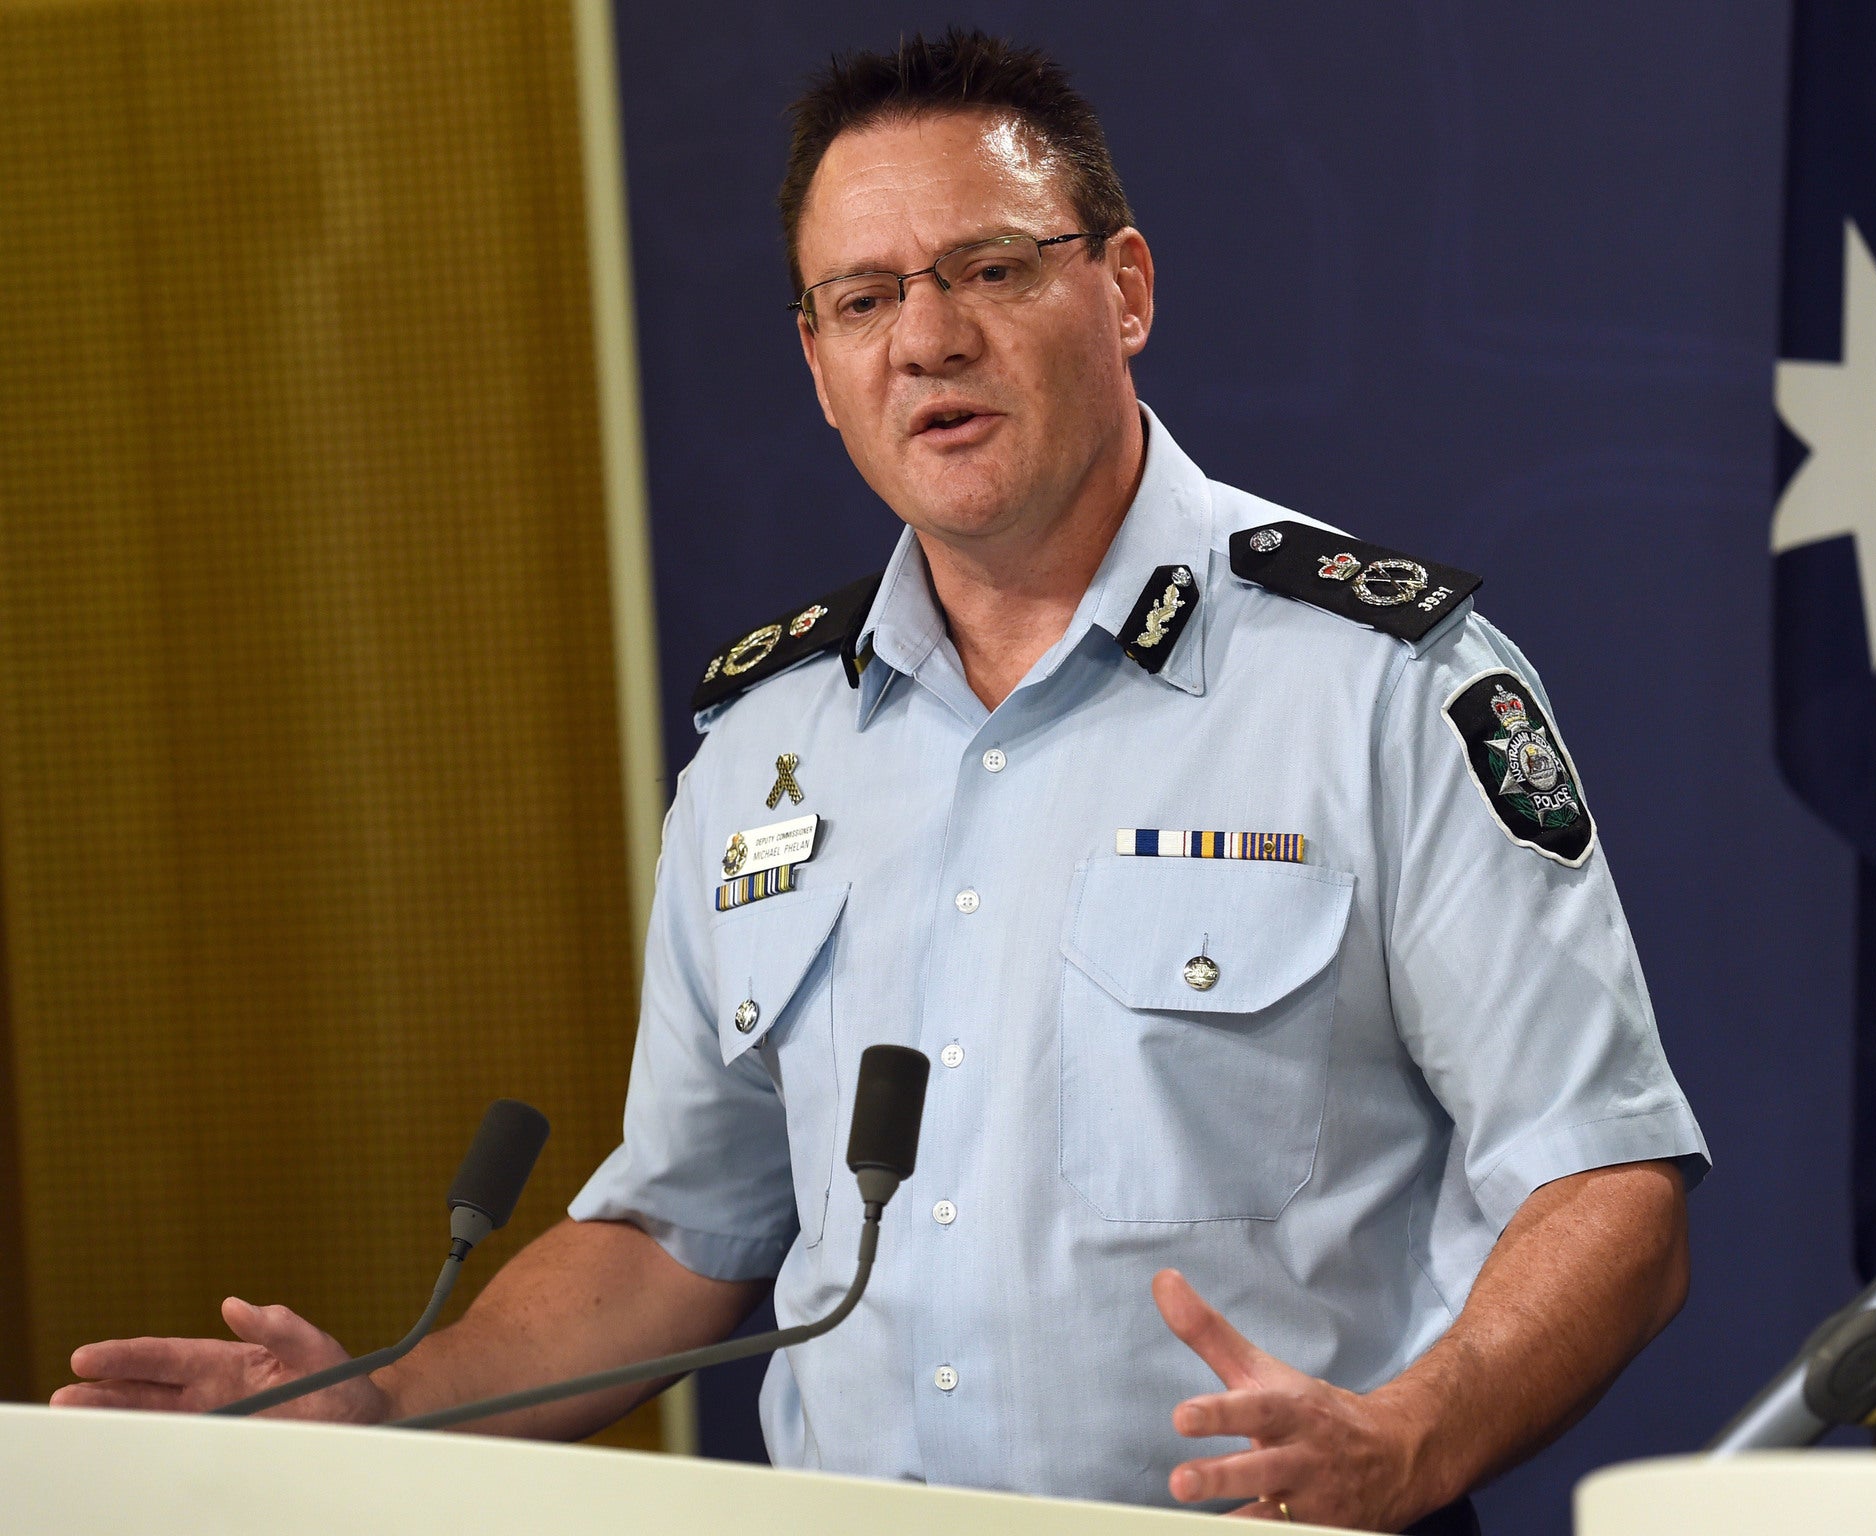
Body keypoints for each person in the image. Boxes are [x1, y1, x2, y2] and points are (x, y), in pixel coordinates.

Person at [58, 30, 1708, 1533]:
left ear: (1123, 290)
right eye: (863, 299)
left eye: (988, 267)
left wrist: (1412, 1434)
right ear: (819, 356)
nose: (927, 337)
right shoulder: (763, 747)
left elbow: (1604, 1176)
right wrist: (393, 1406)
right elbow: (680, 1231)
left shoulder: (1384, 682)